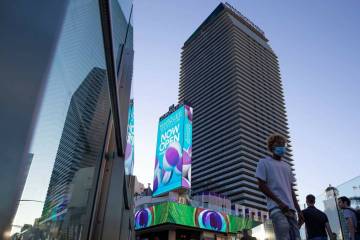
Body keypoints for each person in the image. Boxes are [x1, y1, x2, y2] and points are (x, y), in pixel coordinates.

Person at [255, 134, 303, 240]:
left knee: (297, 237)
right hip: (276, 208)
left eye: (283, 144)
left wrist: (299, 211)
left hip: (291, 210)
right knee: (283, 236)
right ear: (272, 147)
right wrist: (279, 202)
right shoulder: (264, 162)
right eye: (279, 144)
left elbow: (291, 190)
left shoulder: (287, 166)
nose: (282, 146)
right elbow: (261, 185)